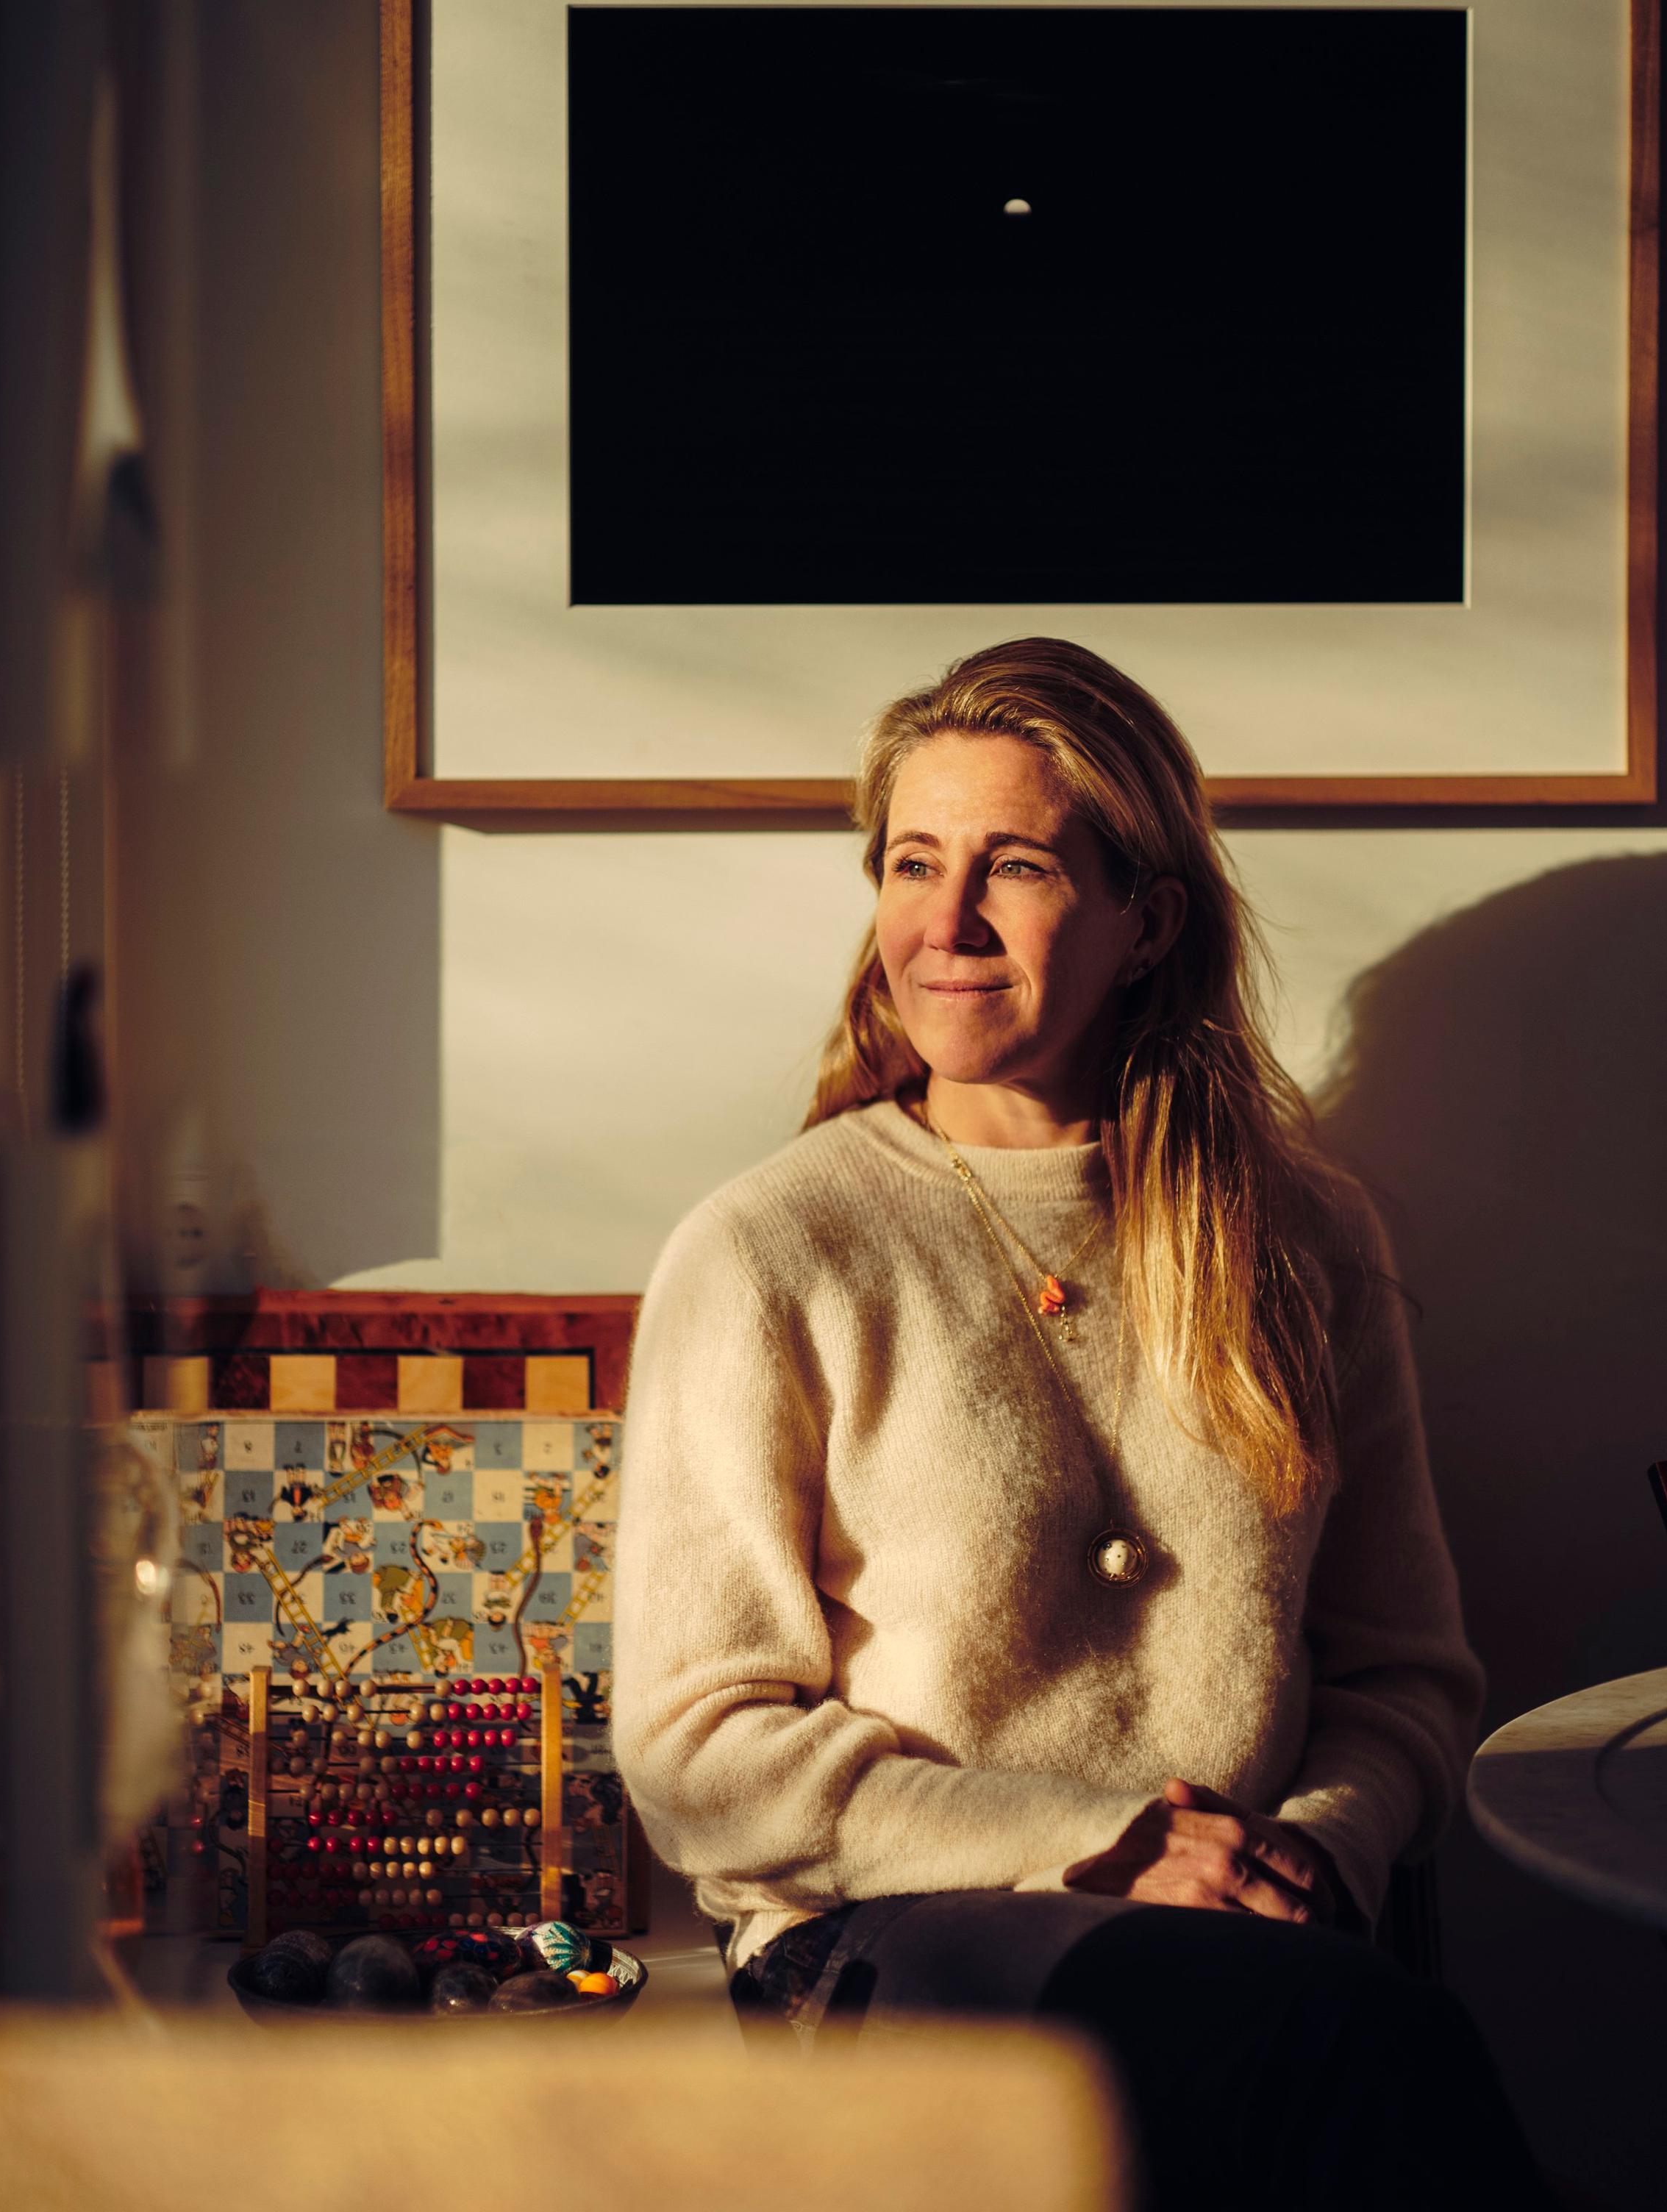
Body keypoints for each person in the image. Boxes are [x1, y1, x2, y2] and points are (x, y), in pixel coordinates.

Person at [613, 638, 1552, 2209]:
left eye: (1017, 866)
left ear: (1146, 919)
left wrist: (1310, 1853)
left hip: (1267, 1951)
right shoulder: (772, 1247)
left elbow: (1404, 1671)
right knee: (1354, 2059)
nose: (945, 921)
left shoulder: (1305, 1237)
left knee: (1335, 2040)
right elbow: (697, 1753)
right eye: (913, 863)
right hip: (886, 1935)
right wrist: (1110, 1844)